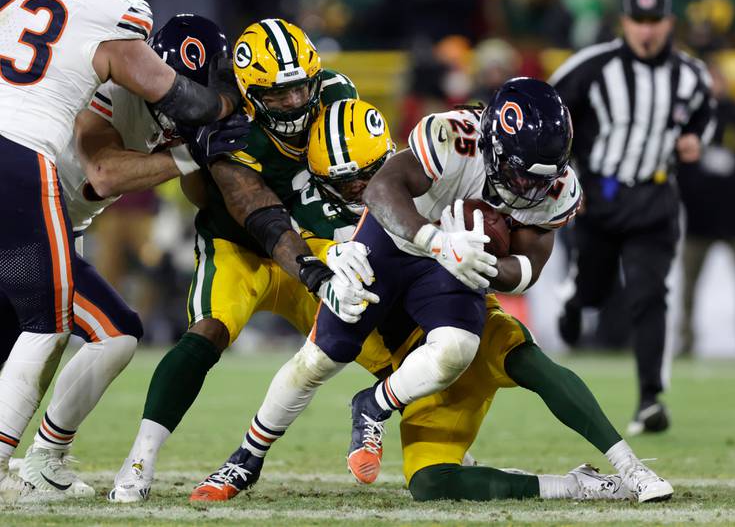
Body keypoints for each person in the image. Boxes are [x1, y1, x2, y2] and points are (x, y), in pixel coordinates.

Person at [191, 97, 674, 504]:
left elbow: (528, 267)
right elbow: (382, 190)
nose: (528, 188)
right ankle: (246, 459)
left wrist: (485, 266)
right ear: (491, 145)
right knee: (320, 356)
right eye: (519, 173)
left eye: (539, 179)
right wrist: (437, 242)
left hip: (451, 262)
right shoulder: (453, 138)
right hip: (398, 239)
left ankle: (375, 404)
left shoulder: (556, 189)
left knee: (458, 348)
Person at [108, 18, 378, 503]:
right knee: (208, 330)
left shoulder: (336, 93)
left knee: (380, 338)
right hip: (239, 243)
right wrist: (312, 269)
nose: (294, 101)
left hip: (311, 239)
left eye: (300, 87)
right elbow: (255, 212)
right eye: (278, 93)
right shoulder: (224, 123)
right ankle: (139, 460)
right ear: (249, 92)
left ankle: (436, 440)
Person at [0, 0, 239, 502]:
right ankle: (42, 460)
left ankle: (43, 460)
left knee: (43, 336)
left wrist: (217, 153)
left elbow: (197, 189)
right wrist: (193, 151)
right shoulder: (112, 75)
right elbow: (104, 174)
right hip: (27, 202)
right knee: (106, 330)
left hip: (47, 220)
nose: (180, 102)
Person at [550, 0, 716, 435]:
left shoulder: (690, 74)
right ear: (624, 22)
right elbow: (549, 114)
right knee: (595, 290)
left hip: (655, 198)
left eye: (654, 20)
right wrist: (565, 177)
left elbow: (705, 116)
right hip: (600, 196)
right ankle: (575, 299)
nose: (646, 30)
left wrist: (695, 138)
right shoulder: (591, 67)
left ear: (669, 23)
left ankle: (650, 399)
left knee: (649, 295)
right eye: (638, 20)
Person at [677, 62, 735, 359]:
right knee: (688, 286)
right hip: (700, 219)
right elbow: (681, 168)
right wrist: (698, 194)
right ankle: (685, 339)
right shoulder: (691, 122)